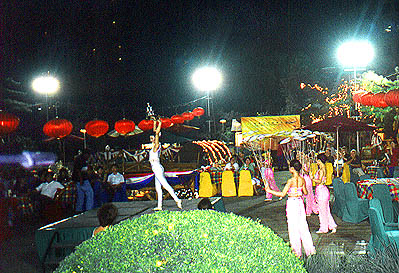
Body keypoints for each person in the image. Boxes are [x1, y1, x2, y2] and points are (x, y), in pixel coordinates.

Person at [265, 159, 316, 258]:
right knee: (303, 226)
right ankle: (310, 250)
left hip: (292, 203)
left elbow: (282, 194)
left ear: (292, 169)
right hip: (300, 203)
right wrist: (299, 190)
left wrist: (269, 190)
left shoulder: (290, 181)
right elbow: (305, 193)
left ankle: (296, 252)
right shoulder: (302, 179)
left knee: (293, 227)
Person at [150, 119, 182, 211]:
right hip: (156, 168)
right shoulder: (153, 147)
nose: (152, 138)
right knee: (158, 187)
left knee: (165, 185)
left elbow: (156, 133)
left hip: (156, 167)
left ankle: (177, 199)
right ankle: (159, 206)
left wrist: (159, 124)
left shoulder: (156, 147)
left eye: (153, 138)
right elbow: (154, 131)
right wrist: (154, 123)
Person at [312, 154, 337, 234]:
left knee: (322, 211)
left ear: (319, 160)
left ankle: (324, 228)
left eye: (317, 160)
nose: (317, 162)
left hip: (321, 190)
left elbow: (319, 181)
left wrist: (312, 178)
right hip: (322, 190)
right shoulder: (323, 169)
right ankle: (332, 226)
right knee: (326, 210)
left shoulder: (322, 170)